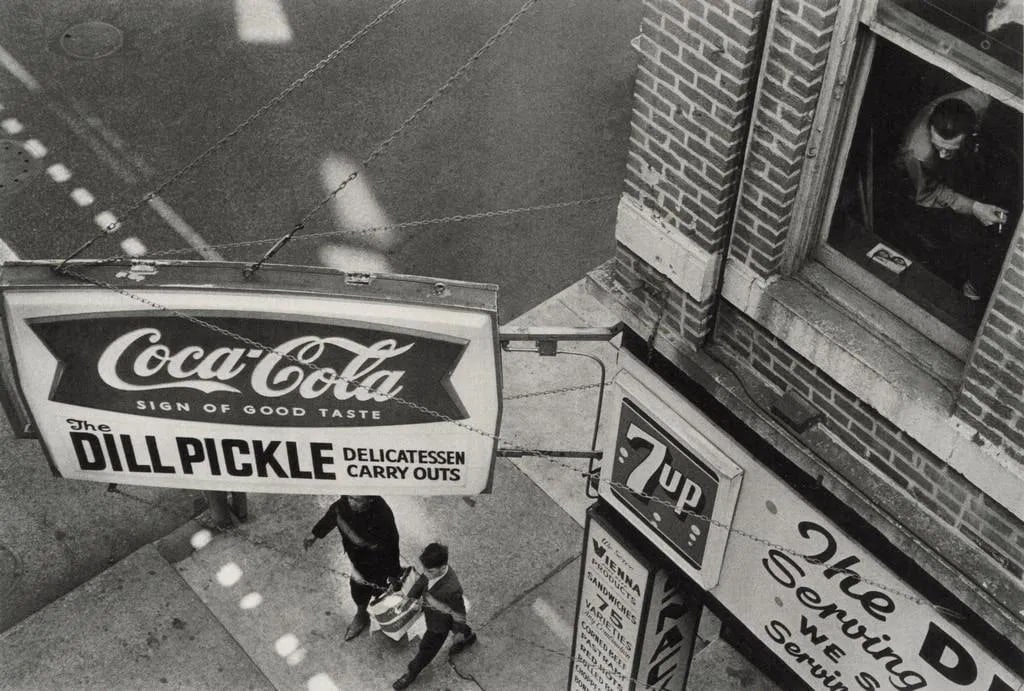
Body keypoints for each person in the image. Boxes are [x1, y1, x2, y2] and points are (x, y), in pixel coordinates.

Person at [891, 87, 1015, 301]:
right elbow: (929, 193)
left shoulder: (982, 102)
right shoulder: (919, 153)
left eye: (950, 148)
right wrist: (974, 207)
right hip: (917, 179)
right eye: (939, 146)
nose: (942, 153)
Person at [304, 495, 403, 641]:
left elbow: (392, 545)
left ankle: (386, 612)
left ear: (370, 500)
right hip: (357, 557)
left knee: (382, 589)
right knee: (358, 589)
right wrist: (315, 534)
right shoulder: (344, 504)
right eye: (349, 497)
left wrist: (394, 574)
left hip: (379, 559)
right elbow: (333, 514)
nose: (351, 503)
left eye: (357, 500)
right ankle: (361, 614)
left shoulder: (382, 514)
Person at [392, 543, 476, 690]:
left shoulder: (452, 589)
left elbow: (459, 612)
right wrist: (410, 597)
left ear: (443, 568)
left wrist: (459, 631)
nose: (425, 573)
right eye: (424, 569)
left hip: (438, 626)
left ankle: (411, 673)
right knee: (454, 624)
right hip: (438, 612)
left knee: (426, 648)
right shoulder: (432, 571)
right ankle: (467, 636)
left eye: (429, 571)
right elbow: (423, 580)